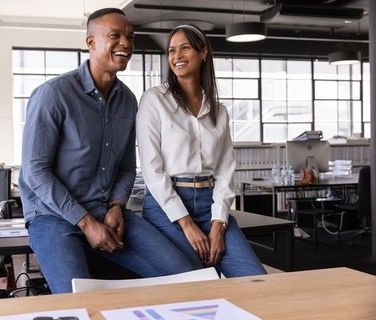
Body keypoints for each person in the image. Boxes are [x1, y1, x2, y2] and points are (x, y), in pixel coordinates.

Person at [18, 8, 193, 294]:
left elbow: (126, 166)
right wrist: (86, 223)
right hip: (52, 216)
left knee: (184, 276)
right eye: (115, 35)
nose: (125, 43)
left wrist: (116, 206)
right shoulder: (53, 94)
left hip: (105, 211)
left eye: (130, 37)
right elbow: (35, 172)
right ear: (91, 42)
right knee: (76, 299)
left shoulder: (127, 100)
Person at [136, 24, 266, 277]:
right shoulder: (154, 100)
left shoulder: (220, 111)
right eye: (172, 50)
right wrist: (186, 224)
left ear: (203, 52)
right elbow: (152, 171)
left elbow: (226, 171)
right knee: (196, 278)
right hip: (167, 206)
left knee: (254, 277)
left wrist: (218, 225)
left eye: (185, 48)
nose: (177, 56)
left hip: (211, 206)